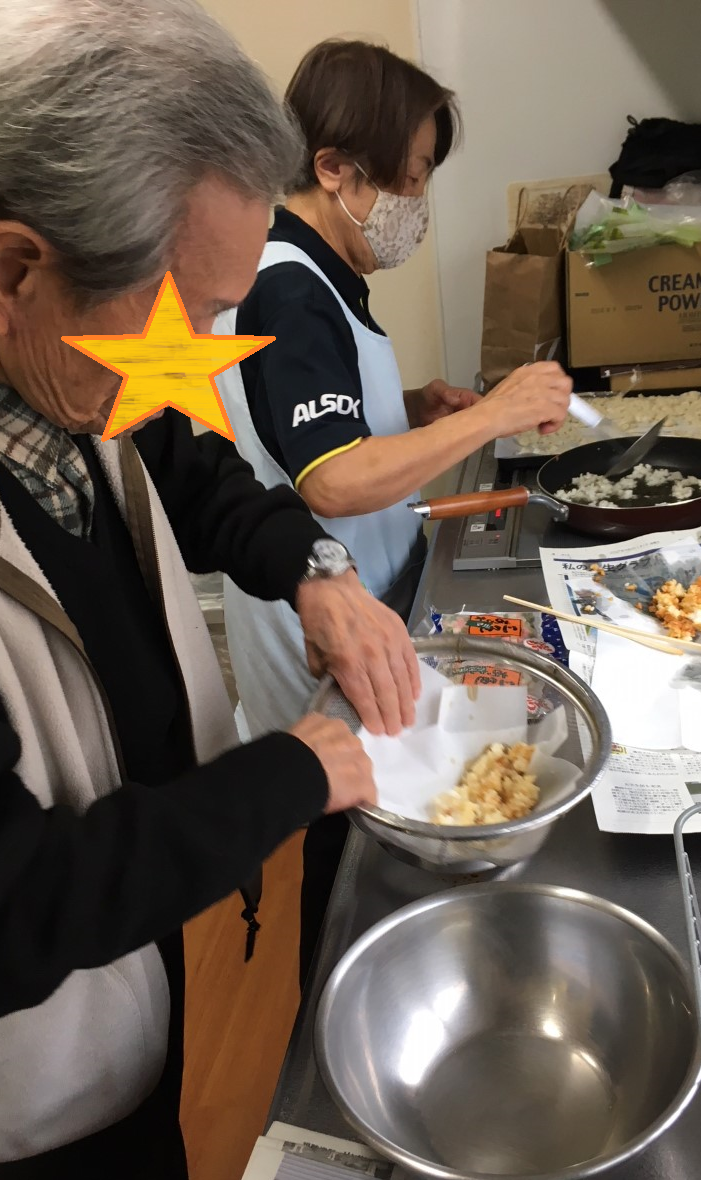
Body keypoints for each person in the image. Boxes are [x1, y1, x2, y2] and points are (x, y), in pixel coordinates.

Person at [0, 3, 421, 1180]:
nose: (203, 356)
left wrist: (311, 570)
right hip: (9, 1086)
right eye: (188, 311)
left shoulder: (58, 363)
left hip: (123, 968)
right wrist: (287, 773)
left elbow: (186, 459)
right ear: (12, 272)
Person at [214, 39, 573, 979]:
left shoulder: (319, 272)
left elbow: (310, 425)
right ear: (336, 169)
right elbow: (331, 480)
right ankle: (331, 1007)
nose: (418, 201)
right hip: (324, 627)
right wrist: (493, 414)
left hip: (366, 597)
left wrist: (409, 407)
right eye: (410, 177)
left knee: (374, 821)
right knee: (350, 856)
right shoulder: (288, 286)